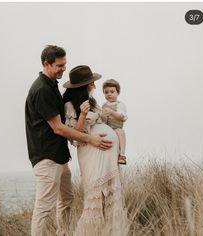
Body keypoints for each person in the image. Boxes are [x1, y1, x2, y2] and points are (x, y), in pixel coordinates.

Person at [25, 45, 113, 236]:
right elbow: (58, 127)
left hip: (58, 156)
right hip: (46, 157)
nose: (63, 69)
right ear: (46, 64)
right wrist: (91, 139)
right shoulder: (41, 90)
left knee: (66, 199)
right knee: (43, 208)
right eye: (59, 65)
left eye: (65, 64)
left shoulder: (51, 85)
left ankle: (63, 233)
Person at [63, 65, 129, 236]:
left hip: (108, 157)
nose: (94, 86)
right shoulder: (70, 105)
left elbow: (106, 121)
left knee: (110, 198)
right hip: (91, 154)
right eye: (91, 83)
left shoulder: (93, 102)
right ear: (83, 86)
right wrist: (83, 115)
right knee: (96, 198)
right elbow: (73, 136)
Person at [102, 79, 128, 165]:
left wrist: (112, 112)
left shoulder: (120, 104)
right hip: (107, 127)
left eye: (112, 92)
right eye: (106, 92)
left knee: (121, 132)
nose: (109, 94)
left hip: (116, 127)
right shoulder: (104, 105)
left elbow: (121, 117)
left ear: (118, 93)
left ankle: (122, 155)